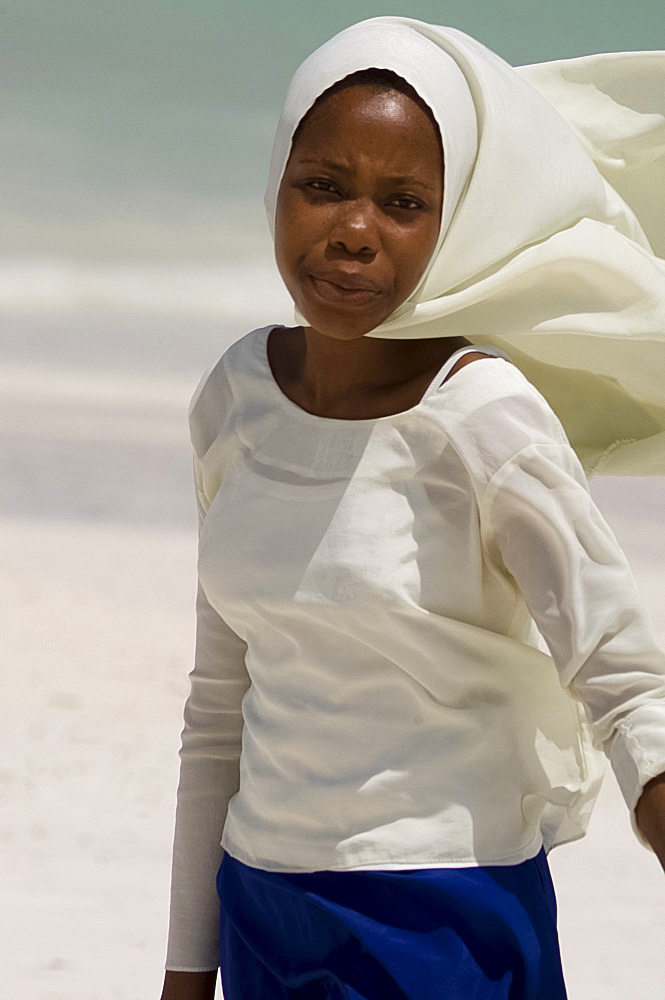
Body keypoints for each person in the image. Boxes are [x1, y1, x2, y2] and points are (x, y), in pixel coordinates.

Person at [160, 17, 665, 1000]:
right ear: (277, 182)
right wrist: (188, 969)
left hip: (441, 919)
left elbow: (621, 676)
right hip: (262, 912)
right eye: (323, 185)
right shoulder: (234, 398)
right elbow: (218, 711)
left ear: (454, 224)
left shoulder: (480, 414)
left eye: (402, 203)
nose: (352, 228)